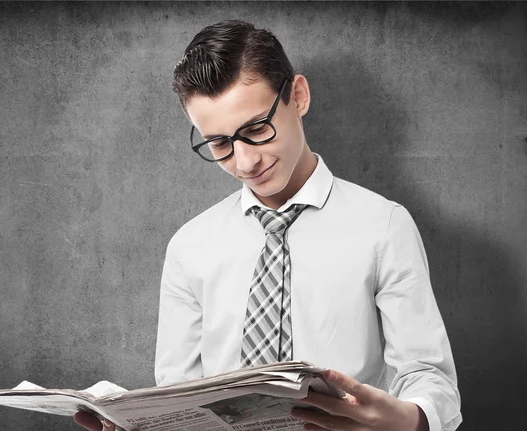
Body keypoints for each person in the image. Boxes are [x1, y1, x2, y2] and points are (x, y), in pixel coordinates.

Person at [75, 20, 462, 431]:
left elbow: (429, 378)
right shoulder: (190, 246)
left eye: (258, 128)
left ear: (298, 96)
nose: (245, 162)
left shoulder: (384, 227)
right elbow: (179, 394)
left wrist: (409, 420)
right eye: (220, 144)